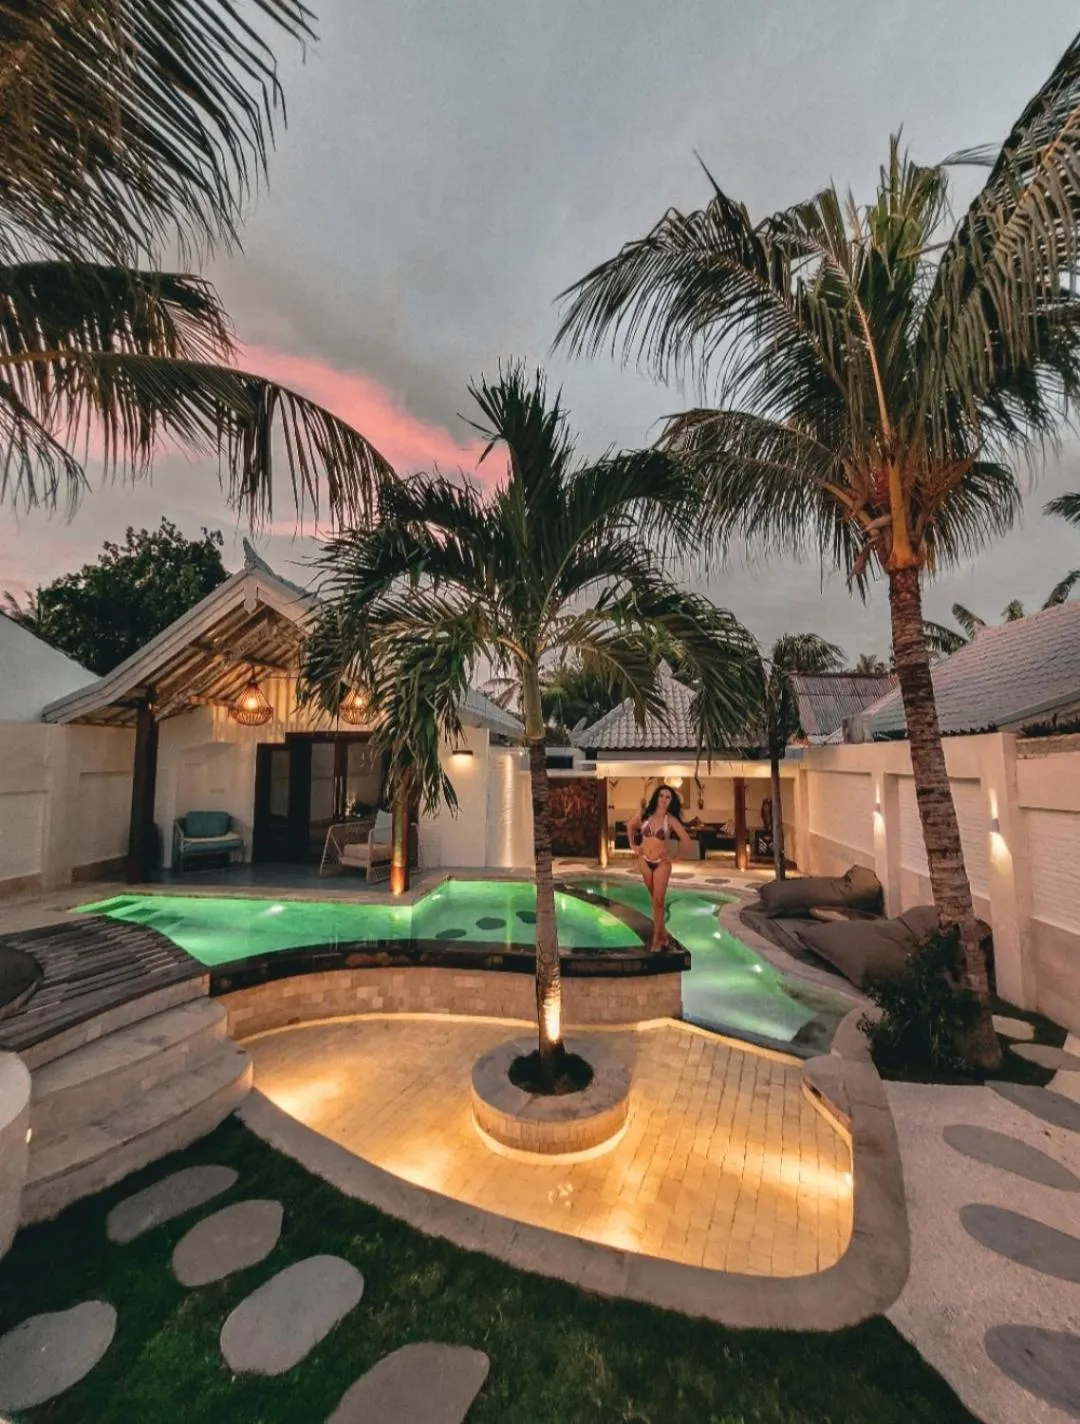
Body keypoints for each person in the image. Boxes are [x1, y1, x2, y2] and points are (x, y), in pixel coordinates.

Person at [627, 785, 692, 951]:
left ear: (671, 801)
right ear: (657, 797)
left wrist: (675, 857)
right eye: (661, 795)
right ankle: (664, 937)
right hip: (644, 861)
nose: (664, 799)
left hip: (661, 864)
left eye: (668, 797)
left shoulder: (670, 820)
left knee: (658, 901)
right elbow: (630, 826)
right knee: (656, 902)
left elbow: (687, 841)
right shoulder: (645, 815)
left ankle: (656, 940)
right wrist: (633, 846)